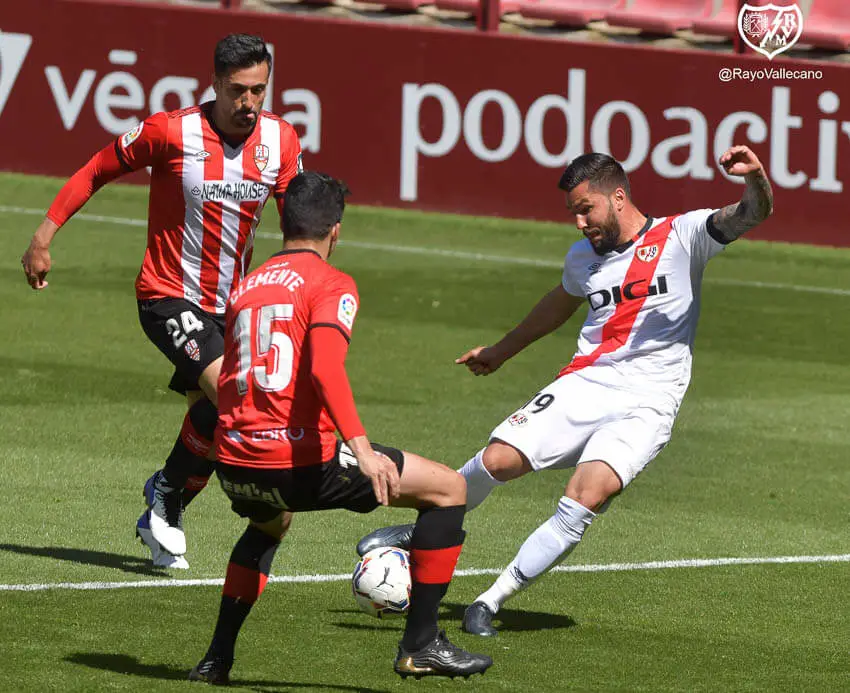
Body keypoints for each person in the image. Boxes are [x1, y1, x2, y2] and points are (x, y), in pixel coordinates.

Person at [356, 145, 774, 636]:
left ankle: (489, 602)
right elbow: (557, 306)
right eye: (573, 213)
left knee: (585, 496)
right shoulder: (583, 259)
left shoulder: (683, 237)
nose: (579, 224)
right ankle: (429, 523)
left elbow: (752, 212)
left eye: (585, 210)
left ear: (618, 197)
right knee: (498, 460)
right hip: (587, 383)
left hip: (649, 402)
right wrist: (501, 350)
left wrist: (757, 179)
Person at [188, 171, 493, 684]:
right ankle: (421, 645)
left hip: (236, 463)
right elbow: (325, 370)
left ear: (283, 224)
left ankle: (216, 659)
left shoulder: (247, 286)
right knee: (449, 489)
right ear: (336, 230)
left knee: (269, 524)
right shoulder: (332, 283)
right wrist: (361, 449)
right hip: (299, 463)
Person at [20, 34, 302, 568]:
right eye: (239, 90)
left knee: (212, 423)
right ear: (216, 83)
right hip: (167, 295)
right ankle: (167, 496)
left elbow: (298, 227)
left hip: (232, 305)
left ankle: (163, 510)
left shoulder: (281, 142)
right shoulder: (170, 132)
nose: (249, 103)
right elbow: (98, 168)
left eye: (259, 91)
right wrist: (43, 235)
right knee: (233, 398)